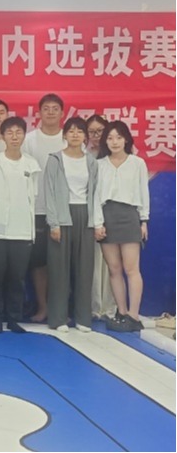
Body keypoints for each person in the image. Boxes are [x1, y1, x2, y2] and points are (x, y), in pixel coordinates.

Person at [0, 117, 41, 333]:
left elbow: (33, 197)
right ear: (3, 136)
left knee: (17, 278)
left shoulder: (31, 164)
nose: (14, 137)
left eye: (19, 132)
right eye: (10, 133)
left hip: (22, 229)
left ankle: (14, 318)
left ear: (24, 136)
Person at [94, 121, 150, 332]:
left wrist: (143, 220)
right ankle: (122, 311)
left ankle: (134, 316)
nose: (114, 142)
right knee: (114, 269)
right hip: (106, 216)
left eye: (118, 137)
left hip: (129, 216)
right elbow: (95, 196)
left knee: (131, 268)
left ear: (126, 139)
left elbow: (143, 192)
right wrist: (98, 223)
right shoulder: (99, 165)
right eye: (110, 138)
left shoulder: (137, 163)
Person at [44, 117, 97, 333]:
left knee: (84, 268)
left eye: (80, 131)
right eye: (71, 131)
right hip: (62, 216)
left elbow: (95, 193)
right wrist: (53, 223)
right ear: (64, 135)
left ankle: (83, 318)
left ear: (85, 136)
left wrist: (96, 221)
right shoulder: (55, 159)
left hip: (85, 215)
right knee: (59, 270)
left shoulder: (91, 161)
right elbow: (49, 192)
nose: (75, 134)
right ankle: (58, 318)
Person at [22, 93, 66, 323]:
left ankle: (60, 309)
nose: (50, 112)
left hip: (63, 210)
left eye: (55, 108)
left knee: (60, 264)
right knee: (38, 264)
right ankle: (43, 307)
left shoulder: (69, 139)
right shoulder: (29, 140)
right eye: (46, 108)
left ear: (62, 113)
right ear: (39, 112)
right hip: (36, 209)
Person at [85, 114, 116, 320]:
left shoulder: (115, 156)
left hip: (112, 214)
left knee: (112, 263)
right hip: (89, 214)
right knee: (93, 263)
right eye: (92, 132)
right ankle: (94, 306)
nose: (96, 136)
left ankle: (110, 307)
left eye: (100, 131)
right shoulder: (83, 155)